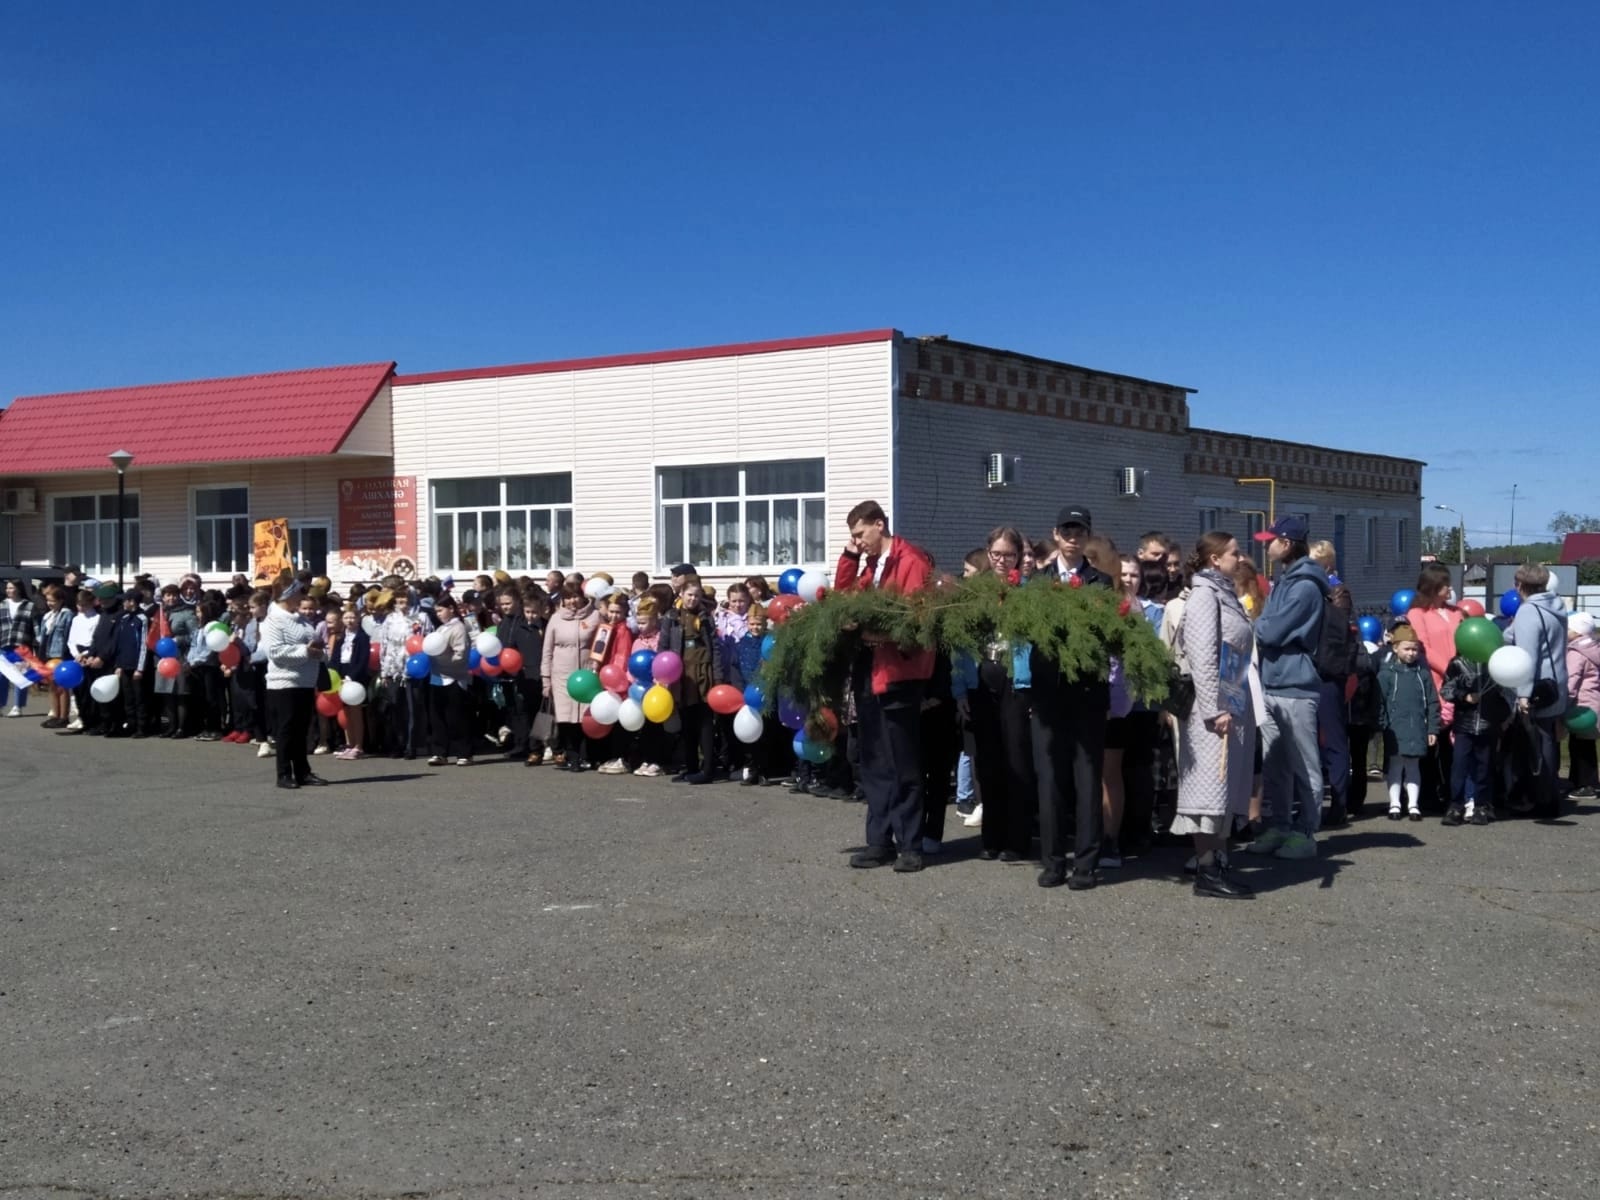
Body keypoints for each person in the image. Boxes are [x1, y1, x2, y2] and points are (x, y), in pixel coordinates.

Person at [835, 500, 935, 873]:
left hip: (899, 672)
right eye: (853, 537)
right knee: (874, 759)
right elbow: (844, 600)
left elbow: (914, 619)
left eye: (860, 534)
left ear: (879, 524)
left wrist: (875, 632)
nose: (858, 541)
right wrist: (849, 558)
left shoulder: (910, 561)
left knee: (902, 761)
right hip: (869, 668)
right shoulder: (870, 565)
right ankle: (879, 841)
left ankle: (911, 844)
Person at [1032, 504, 1113, 890]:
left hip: (1087, 696)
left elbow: (1106, 634)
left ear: (1087, 536)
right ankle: (1052, 861)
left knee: (1087, 781)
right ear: (1056, 534)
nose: (1072, 538)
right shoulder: (1038, 582)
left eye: (1079, 531)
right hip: (1048, 697)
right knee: (1050, 782)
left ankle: (1086, 864)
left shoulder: (1101, 582)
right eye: (1066, 531)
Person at [1174, 532, 1256, 898]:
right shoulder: (1205, 596)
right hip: (1212, 711)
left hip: (1232, 699)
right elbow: (1202, 656)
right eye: (1234, 553)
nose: (1240, 558)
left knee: (1223, 790)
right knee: (1209, 789)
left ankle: (1219, 863)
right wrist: (1214, 709)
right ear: (1214, 559)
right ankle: (1206, 869)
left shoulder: (1225, 593)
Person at [1245, 514, 1328, 860]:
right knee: (1275, 763)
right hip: (1272, 681)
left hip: (1296, 684)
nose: (1267, 547)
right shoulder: (1285, 581)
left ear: (1287, 543)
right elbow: (1266, 624)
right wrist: (1261, 624)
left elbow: (1270, 630)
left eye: (1272, 541)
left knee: (1304, 764)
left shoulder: (1305, 586)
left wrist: (1258, 624)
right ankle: (1279, 826)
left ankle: (1305, 831)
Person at [958, 527, 1035, 864]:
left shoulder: (1029, 592)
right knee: (987, 761)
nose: (1002, 561)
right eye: (997, 554)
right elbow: (960, 644)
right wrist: (960, 688)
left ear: (1019, 556)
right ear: (988, 554)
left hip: (1015, 679)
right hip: (982, 676)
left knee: (1016, 759)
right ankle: (991, 836)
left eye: (1009, 555)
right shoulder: (976, 593)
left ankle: (1017, 840)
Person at [1503, 563, 1569, 820]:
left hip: (1537, 686)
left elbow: (1527, 655)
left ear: (1520, 585)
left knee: (1538, 746)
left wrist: (1523, 693)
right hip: (1556, 683)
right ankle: (1545, 796)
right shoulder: (1556, 606)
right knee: (1546, 740)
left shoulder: (1529, 611)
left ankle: (1541, 799)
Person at [1405, 564, 1463, 811]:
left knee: (1454, 743)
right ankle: (1428, 793)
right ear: (1433, 586)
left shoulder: (1456, 612)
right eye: (1445, 584)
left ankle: (1452, 792)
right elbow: (1423, 647)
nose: (1450, 588)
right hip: (1434, 682)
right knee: (1431, 739)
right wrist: (1450, 668)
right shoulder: (1417, 614)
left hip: (1459, 683)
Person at [261, 584, 328, 790]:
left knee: (301, 729)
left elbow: (316, 643)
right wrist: (306, 651)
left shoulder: (302, 620)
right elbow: (275, 652)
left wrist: (319, 653)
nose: (302, 596)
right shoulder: (273, 621)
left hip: (305, 681)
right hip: (284, 683)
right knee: (286, 730)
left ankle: (302, 772)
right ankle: (283, 774)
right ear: (286, 595)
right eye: (299, 593)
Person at [1309, 541, 1355, 828]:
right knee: (1309, 739)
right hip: (1307, 671)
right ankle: (1310, 803)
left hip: (1328, 673)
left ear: (1326, 565)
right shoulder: (1307, 589)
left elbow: (1334, 634)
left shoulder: (1338, 592)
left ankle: (1339, 802)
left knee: (1334, 739)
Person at [1440, 637, 1509, 825]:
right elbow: (1446, 690)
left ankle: (1481, 806)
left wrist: (1503, 715)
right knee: (1459, 766)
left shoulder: (1495, 664)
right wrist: (1464, 696)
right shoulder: (1458, 663)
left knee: (1484, 767)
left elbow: (1507, 693)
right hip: (1464, 725)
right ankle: (1456, 805)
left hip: (1488, 725)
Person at [1379, 624, 1440, 820]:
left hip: (1418, 727)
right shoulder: (1387, 674)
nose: (1411, 653)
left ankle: (1413, 805)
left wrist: (1432, 728)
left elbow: (1432, 701)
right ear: (1395, 647)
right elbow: (1380, 701)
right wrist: (1382, 724)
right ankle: (1395, 804)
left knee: (1413, 766)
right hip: (1395, 728)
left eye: (1415, 649)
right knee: (1396, 765)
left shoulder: (1423, 674)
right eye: (1407, 648)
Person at [660, 578, 719, 783]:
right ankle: (691, 767)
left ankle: (708, 769)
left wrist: (718, 678)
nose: (693, 599)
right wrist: (662, 675)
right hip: (681, 675)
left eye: (697, 595)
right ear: (681, 595)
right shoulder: (671, 616)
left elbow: (715, 648)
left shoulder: (705, 617)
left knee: (705, 722)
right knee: (687, 723)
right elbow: (663, 646)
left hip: (703, 673)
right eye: (689, 595)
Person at [541, 580, 598, 771]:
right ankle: (572, 756)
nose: (572, 601)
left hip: (586, 676)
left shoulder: (595, 616)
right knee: (565, 719)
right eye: (568, 598)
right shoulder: (556, 619)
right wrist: (546, 679)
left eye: (575, 596)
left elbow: (602, 643)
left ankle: (585, 756)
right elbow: (547, 651)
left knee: (584, 718)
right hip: (561, 676)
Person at [496, 586, 547, 765]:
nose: (505, 606)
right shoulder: (508, 624)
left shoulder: (537, 626)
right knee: (521, 712)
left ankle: (544, 746)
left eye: (508, 603)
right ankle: (527, 746)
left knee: (540, 713)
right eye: (502, 603)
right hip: (517, 673)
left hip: (537, 673)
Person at [425, 594, 473, 766]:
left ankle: (463, 752)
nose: (438, 614)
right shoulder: (440, 629)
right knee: (437, 717)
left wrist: (440, 659)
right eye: (436, 611)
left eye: (441, 610)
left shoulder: (458, 628)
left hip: (454, 679)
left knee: (456, 717)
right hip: (437, 678)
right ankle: (439, 752)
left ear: (451, 609)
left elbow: (461, 655)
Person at [1565, 612, 1600, 799]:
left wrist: (1564, 701)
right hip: (1592, 702)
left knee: (1580, 747)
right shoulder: (1594, 649)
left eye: (1569, 628)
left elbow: (1572, 680)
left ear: (1578, 632)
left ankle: (1587, 785)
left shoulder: (1576, 653)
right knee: (1585, 744)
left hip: (1580, 704)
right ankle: (1579, 782)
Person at [330, 606, 372, 759]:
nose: (350, 621)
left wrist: (350, 677)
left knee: (356, 712)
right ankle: (350, 743)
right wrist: (334, 675)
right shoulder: (341, 637)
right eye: (346, 618)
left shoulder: (362, 637)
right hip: (341, 673)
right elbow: (335, 658)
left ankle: (358, 746)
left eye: (353, 617)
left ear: (358, 619)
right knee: (346, 712)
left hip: (355, 676)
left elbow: (362, 660)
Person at [108, 589, 149, 737]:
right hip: (124, 663)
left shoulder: (142, 618)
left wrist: (140, 668)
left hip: (136, 665)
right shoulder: (124, 618)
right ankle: (131, 724)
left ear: (132, 602)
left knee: (139, 698)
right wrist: (118, 665)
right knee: (128, 697)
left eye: (125, 600)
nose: (123, 603)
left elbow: (143, 644)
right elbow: (120, 643)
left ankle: (142, 727)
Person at [37, 586, 75, 728]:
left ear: (61, 600)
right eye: (48, 600)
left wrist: (66, 655)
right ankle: (55, 714)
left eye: (52, 601)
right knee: (52, 686)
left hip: (60, 654)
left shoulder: (67, 614)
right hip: (48, 654)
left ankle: (64, 717)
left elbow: (68, 636)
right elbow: (43, 638)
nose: (49, 603)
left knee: (62, 686)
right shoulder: (48, 616)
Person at [1, 578, 37, 716]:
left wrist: (37, 645)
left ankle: (17, 706)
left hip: (22, 645)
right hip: (4, 644)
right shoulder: (2, 605)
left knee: (20, 675)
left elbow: (36, 626)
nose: (8, 590)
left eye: (11, 587)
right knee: (1, 677)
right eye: (7, 588)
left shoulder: (29, 606)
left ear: (19, 589)